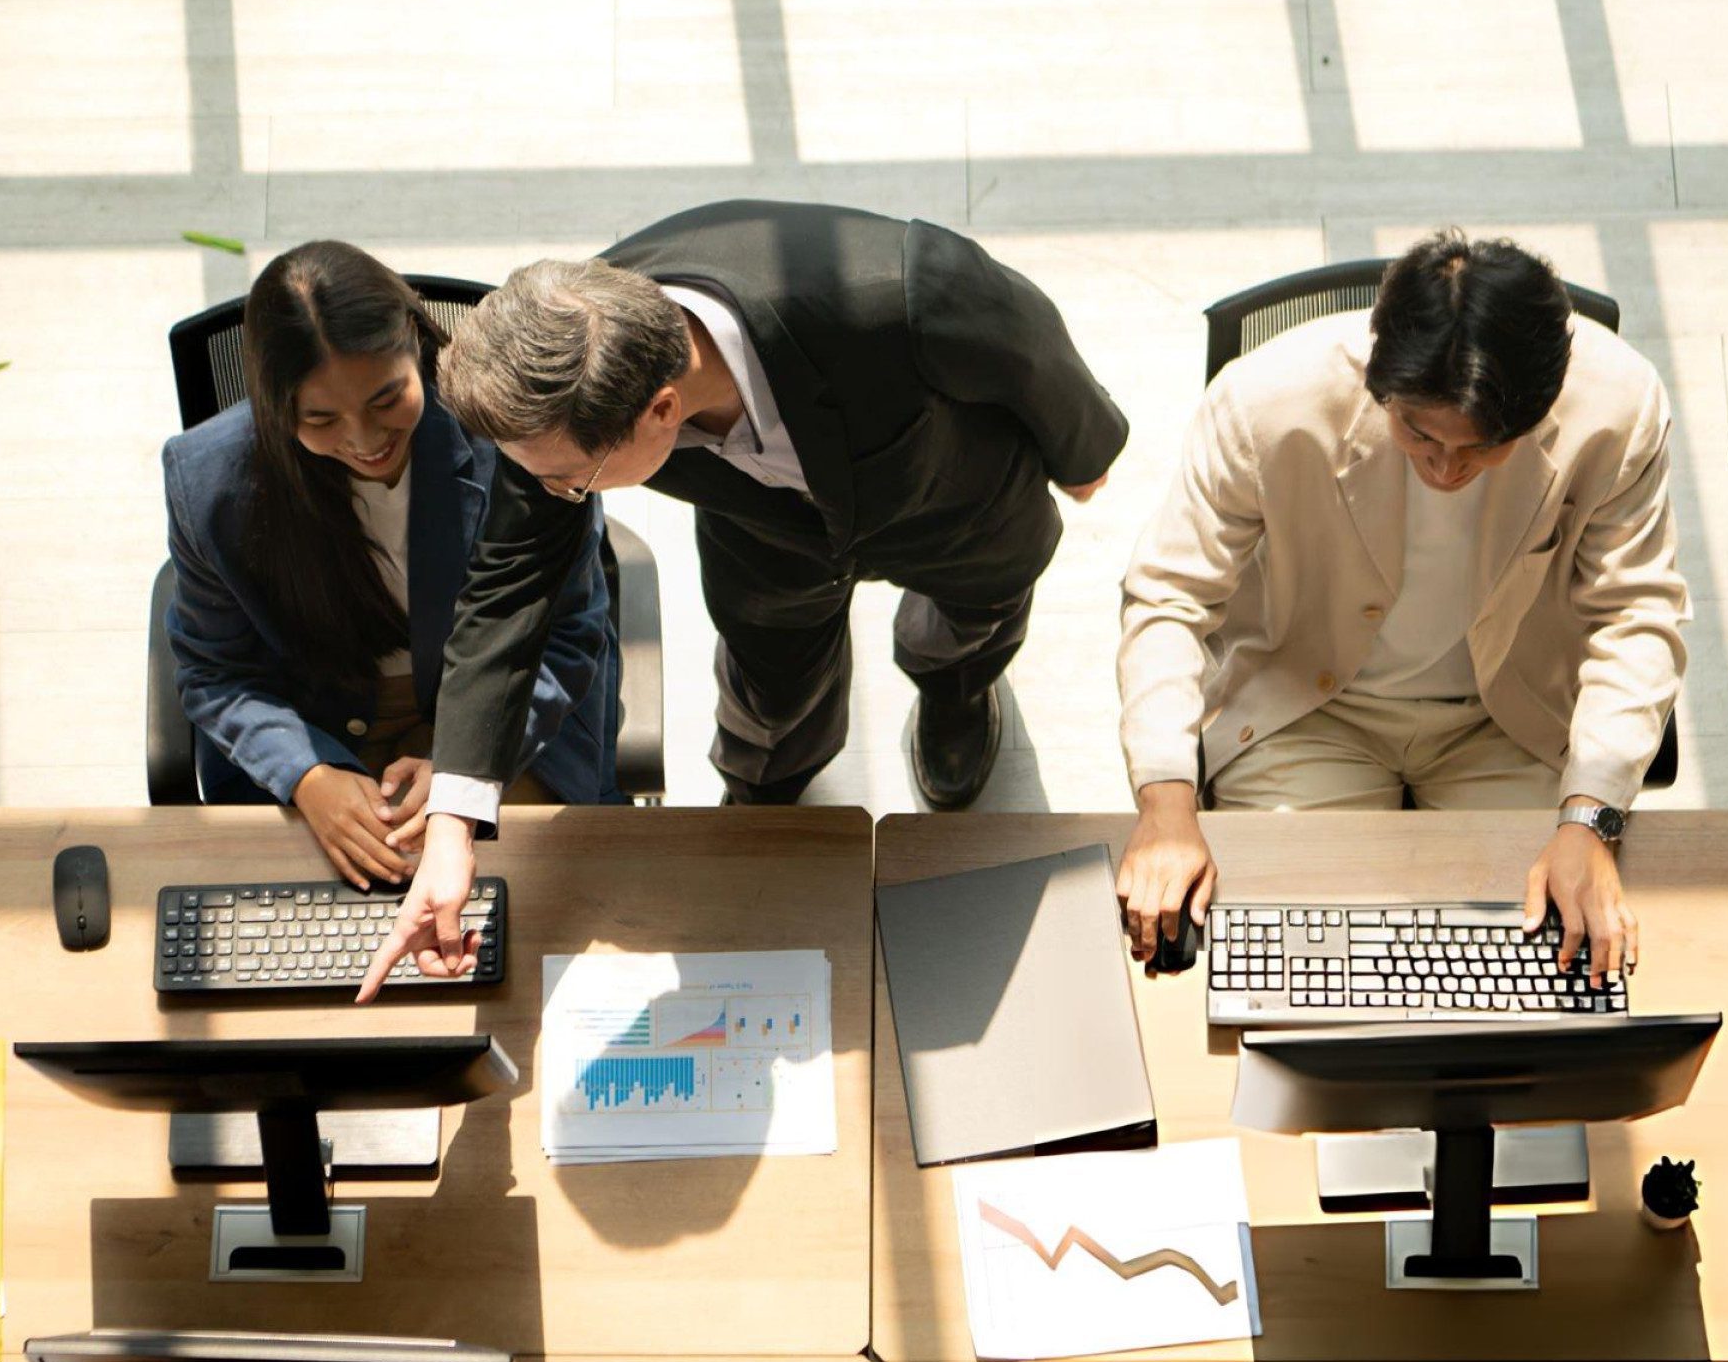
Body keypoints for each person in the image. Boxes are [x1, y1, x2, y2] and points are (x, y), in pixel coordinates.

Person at [356, 199, 1127, 996]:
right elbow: (506, 590)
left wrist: (1082, 451)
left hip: (947, 502)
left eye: (572, 482)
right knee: (770, 686)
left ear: (661, 411)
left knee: (969, 627)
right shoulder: (554, 403)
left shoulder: (902, 291)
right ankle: (768, 784)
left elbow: (1026, 343)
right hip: (762, 536)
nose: (556, 493)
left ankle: (953, 693)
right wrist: (452, 828)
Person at [1114, 231, 1687, 987]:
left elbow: (1636, 611)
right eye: (1417, 432)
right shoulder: (1262, 402)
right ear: (1379, 381)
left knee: (1538, 968)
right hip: (1309, 709)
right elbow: (1168, 595)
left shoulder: (1619, 407)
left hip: (1510, 718)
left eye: (1481, 447)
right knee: (1296, 971)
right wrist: (1164, 804)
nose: (1445, 468)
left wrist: (1589, 819)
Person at [163, 240, 621, 892]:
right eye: (320, 418)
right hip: (312, 723)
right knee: (312, 921)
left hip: (501, 705)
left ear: (415, 340)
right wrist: (307, 775)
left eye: (385, 399)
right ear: (273, 402)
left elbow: (568, 633)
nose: (365, 439)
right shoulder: (207, 479)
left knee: (505, 905)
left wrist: (464, 770)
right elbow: (215, 669)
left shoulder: (515, 434)